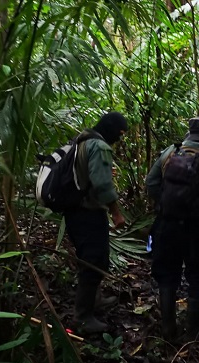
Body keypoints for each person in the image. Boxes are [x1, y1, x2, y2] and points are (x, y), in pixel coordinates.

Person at [146, 114, 199, 342]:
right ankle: (192, 332)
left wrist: (164, 205)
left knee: (167, 275)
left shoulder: (168, 154)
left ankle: (168, 329)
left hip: (166, 224)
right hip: (196, 227)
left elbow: (151, 183)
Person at [66, 111, 128, 334]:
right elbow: (102, 185)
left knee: (88, 257)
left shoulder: (81, 139)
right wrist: (116, 213)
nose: (120, 139)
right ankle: (83, 317)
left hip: (74, 211)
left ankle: (95, 300)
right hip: (88, 213)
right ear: (111, 128)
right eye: (120, 133)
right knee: (94, 260)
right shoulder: (99, 146)